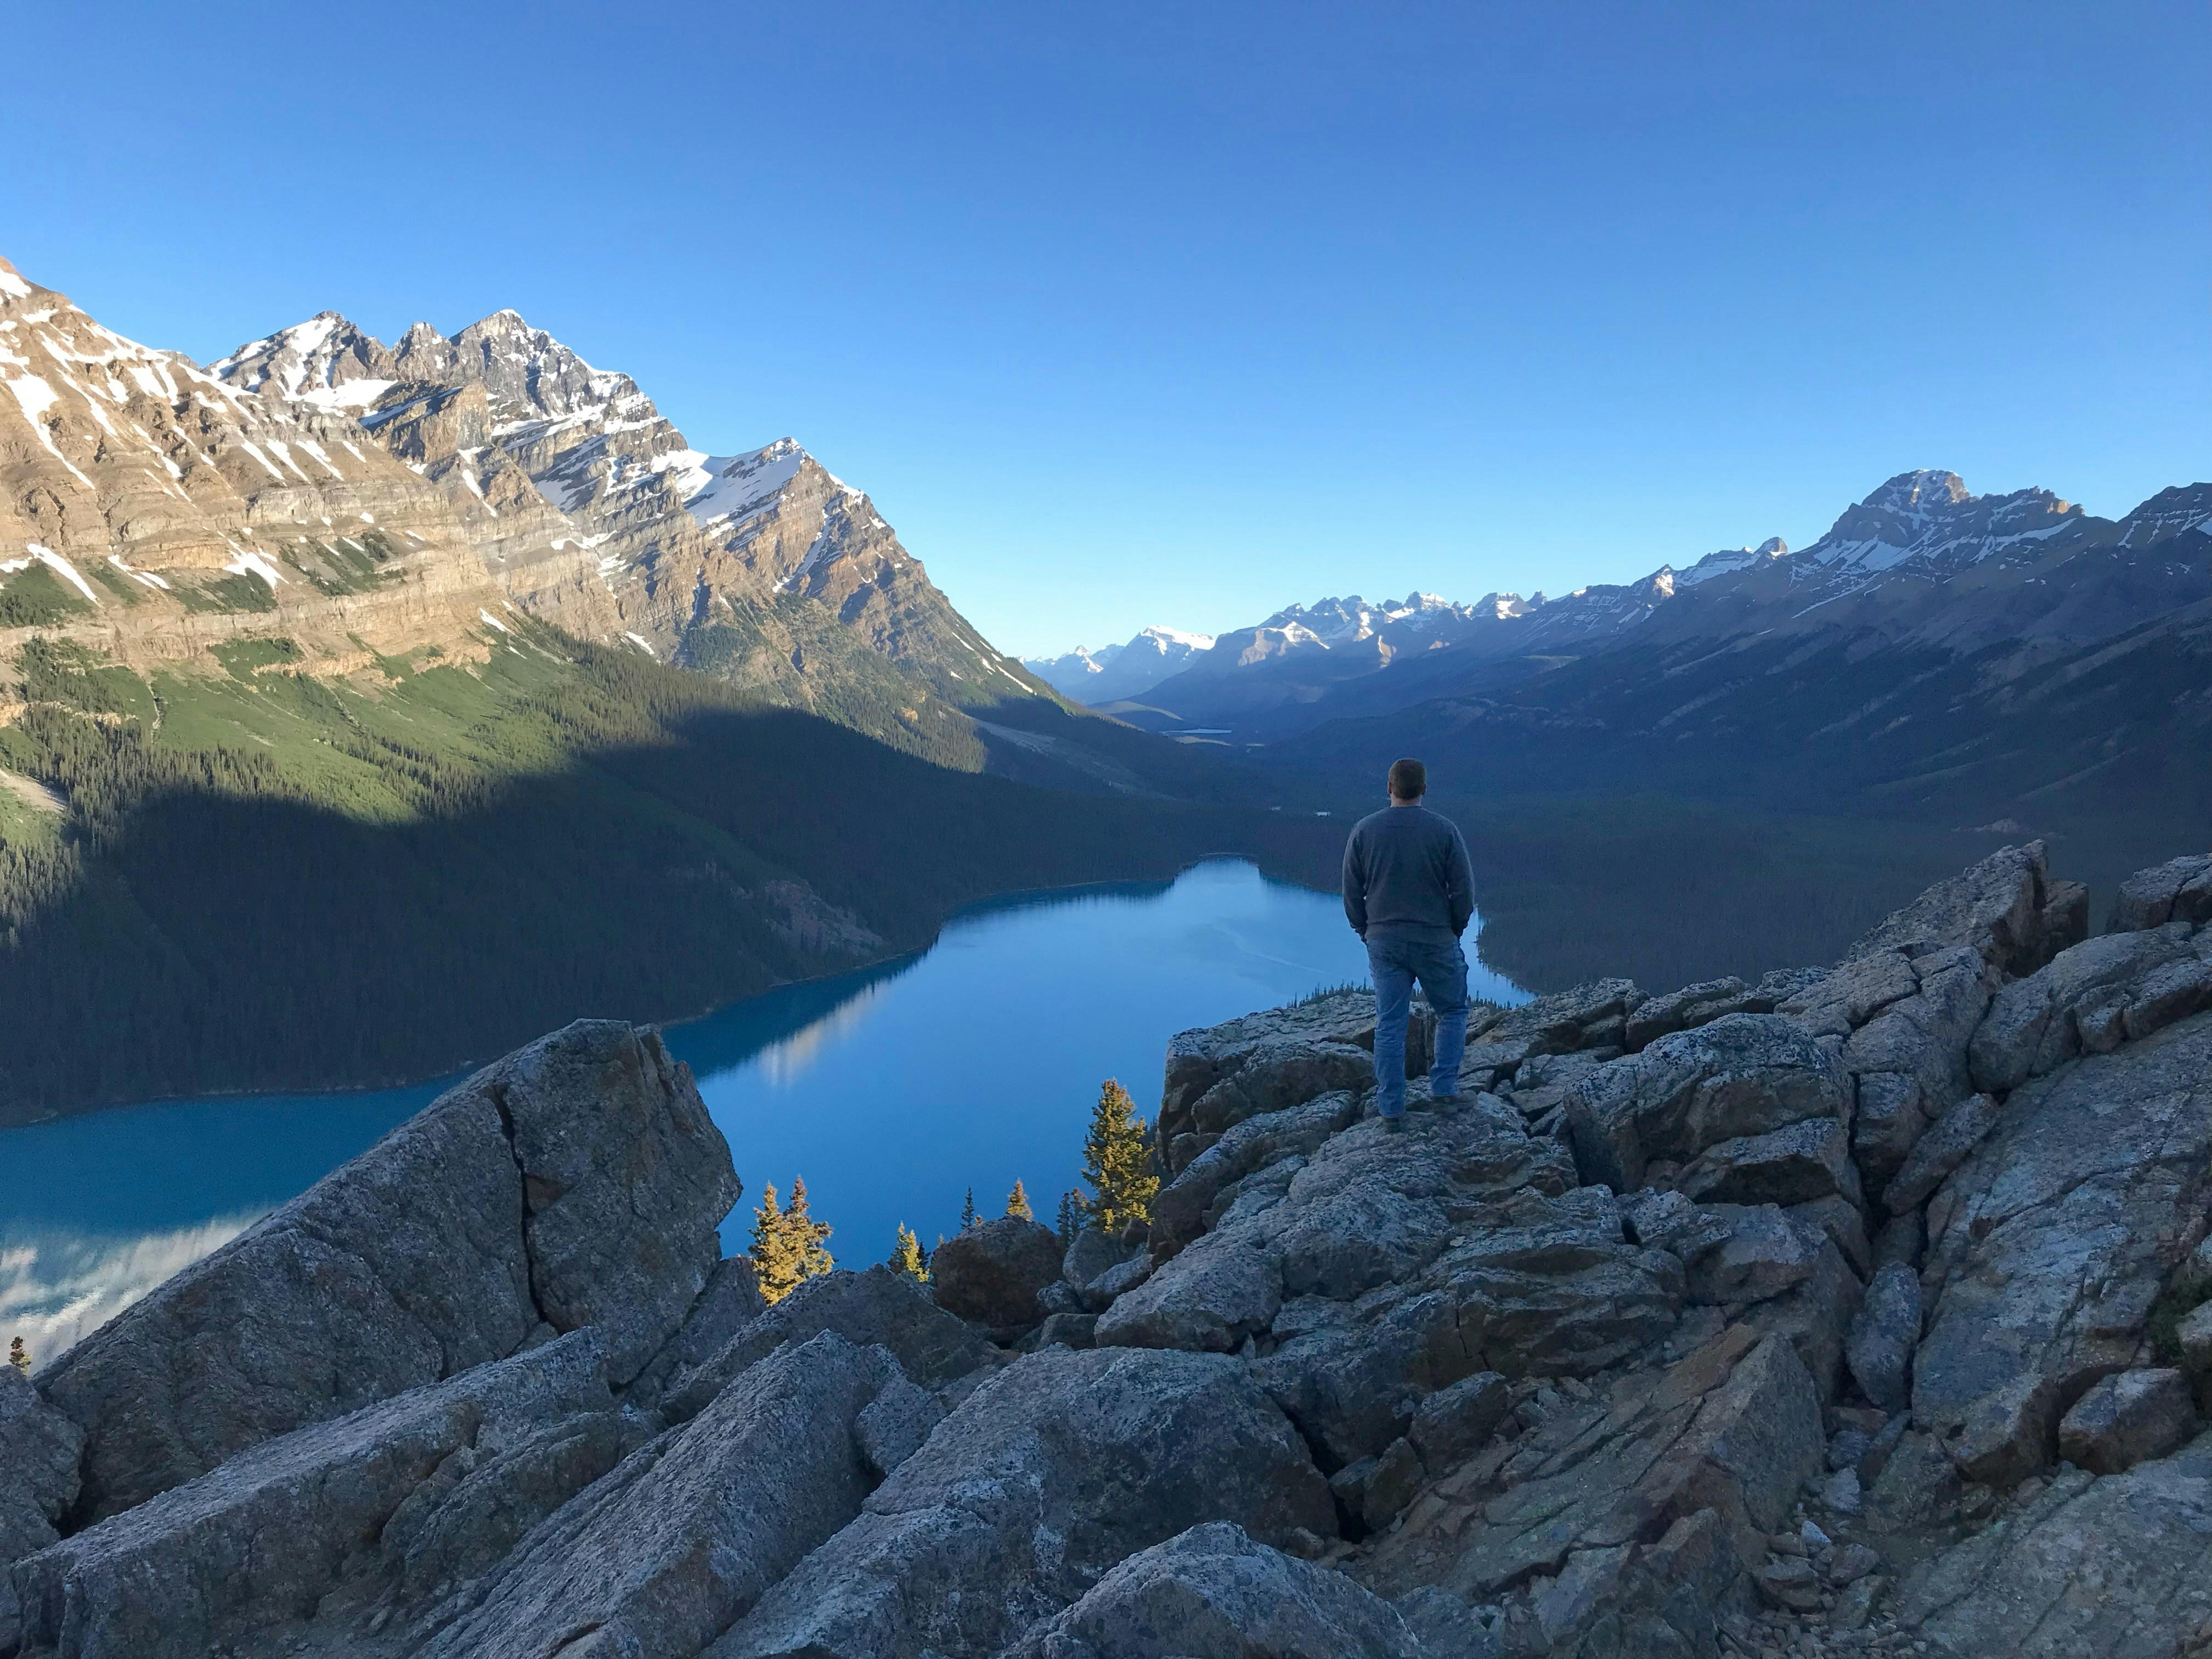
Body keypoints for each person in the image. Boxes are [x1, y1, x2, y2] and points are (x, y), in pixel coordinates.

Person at [1341, 757, 1475, 1130]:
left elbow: (1352, 891)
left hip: (1384, 940)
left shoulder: (1365, 831)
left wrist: (1365, 930)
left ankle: (1392, 1111)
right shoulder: (1444, 830)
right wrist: (1455, 927)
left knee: (1390, 1025)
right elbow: (1463, 889)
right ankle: (1444, 1092)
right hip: (1435, 937)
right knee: (1451, 1011)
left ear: (1389, 788)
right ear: (1424, 790)